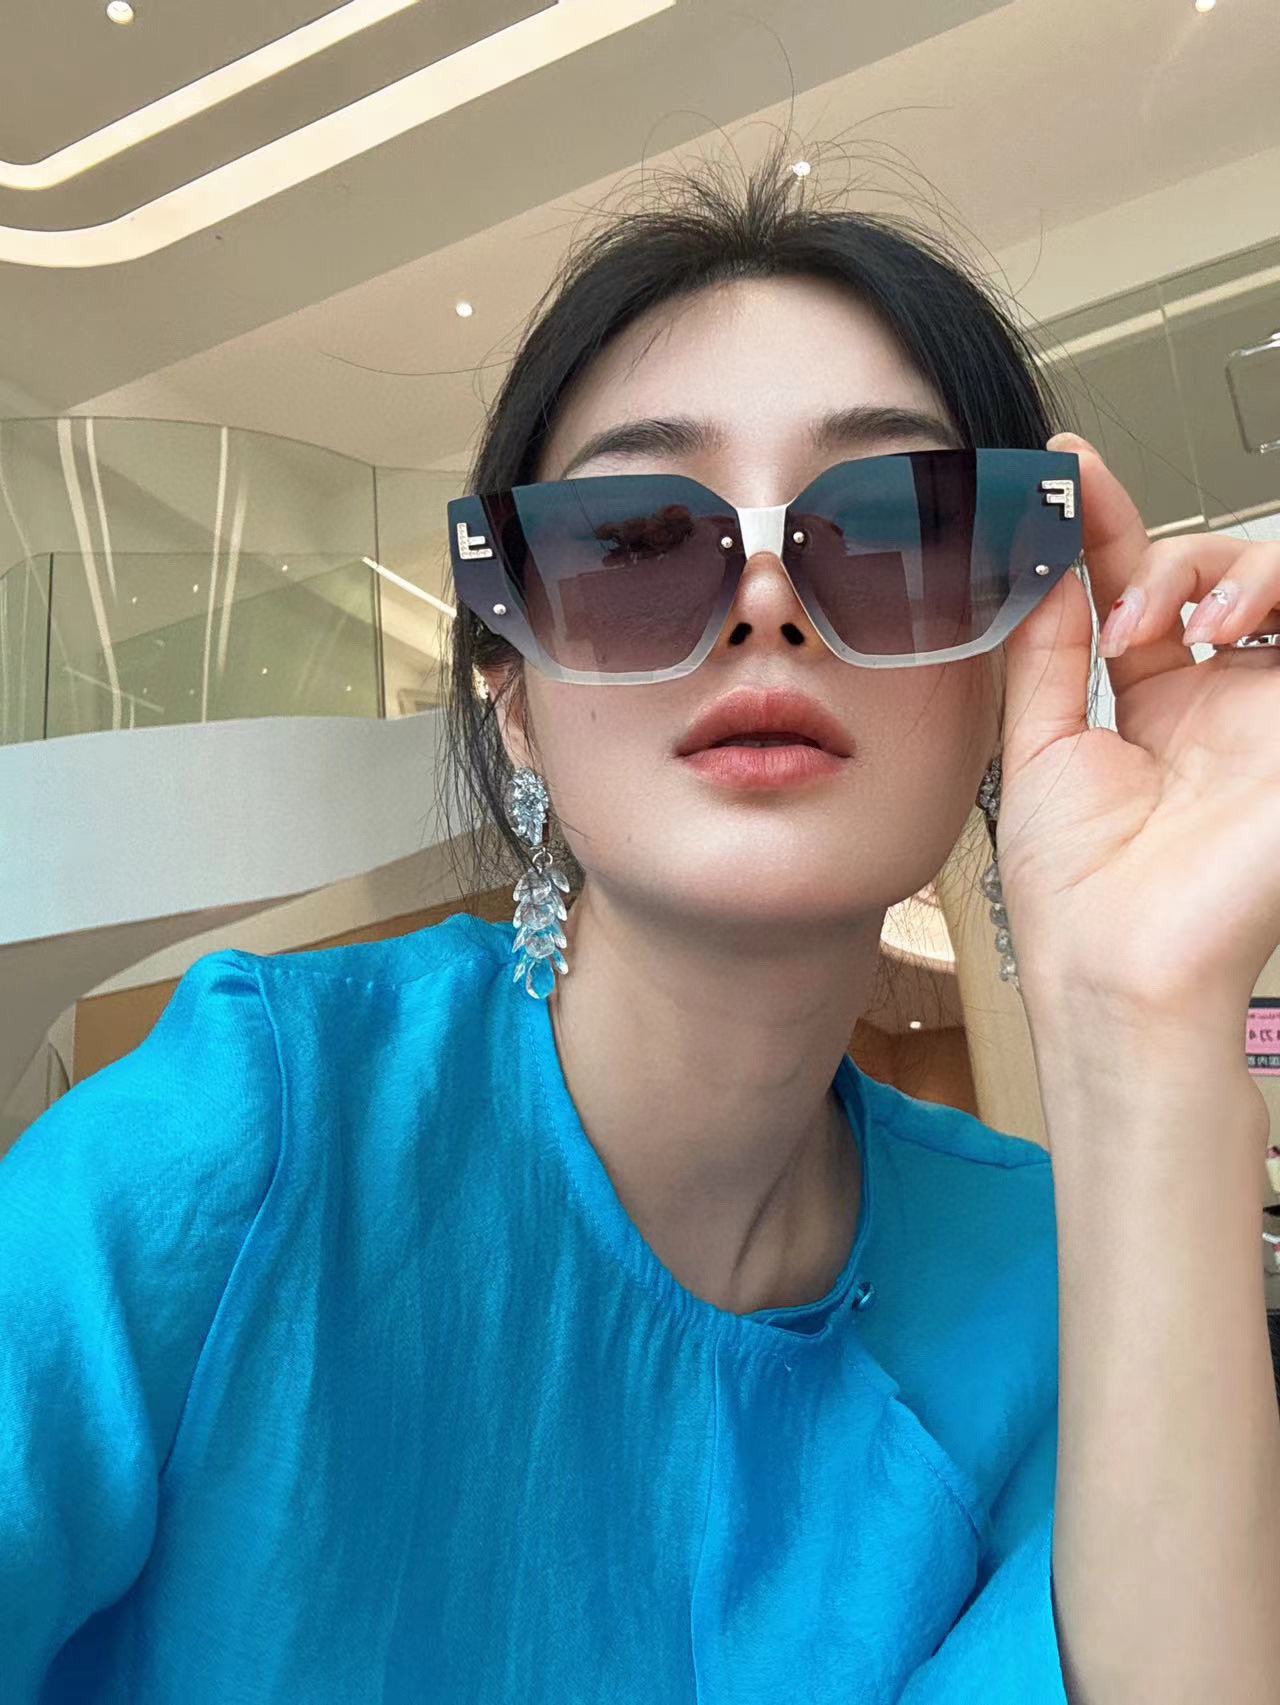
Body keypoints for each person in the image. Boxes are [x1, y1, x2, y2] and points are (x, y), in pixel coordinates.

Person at [3, 138, 1276, 1703]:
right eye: (632, 545)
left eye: (890, 530)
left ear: (1011, 657)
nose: (765, 603)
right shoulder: (245, 1136)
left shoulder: (1043, 1280)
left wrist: (1154, 1012)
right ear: (514, 696)